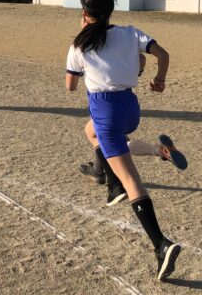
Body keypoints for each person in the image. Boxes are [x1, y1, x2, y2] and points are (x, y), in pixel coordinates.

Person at [66, 0, 181, 281]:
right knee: (89, 131)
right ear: (110, 12)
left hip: (106, 110)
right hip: (131, 108)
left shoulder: (79, 45)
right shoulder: (131, 33)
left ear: (84, 14)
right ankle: (108, 179)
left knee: (133, 181)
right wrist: (158, 79)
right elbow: (162, 55)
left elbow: (70, 86)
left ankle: (160, 244)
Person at [78, 53, 189, 204]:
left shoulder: (91, 48)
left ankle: (102, 175)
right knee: (105, 137)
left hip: (104, 103)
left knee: (106, 138)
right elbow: (142, 59)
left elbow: (70, 83)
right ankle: (99, 171)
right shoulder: (118, 42)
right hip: (125, 105)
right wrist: (137, 72)